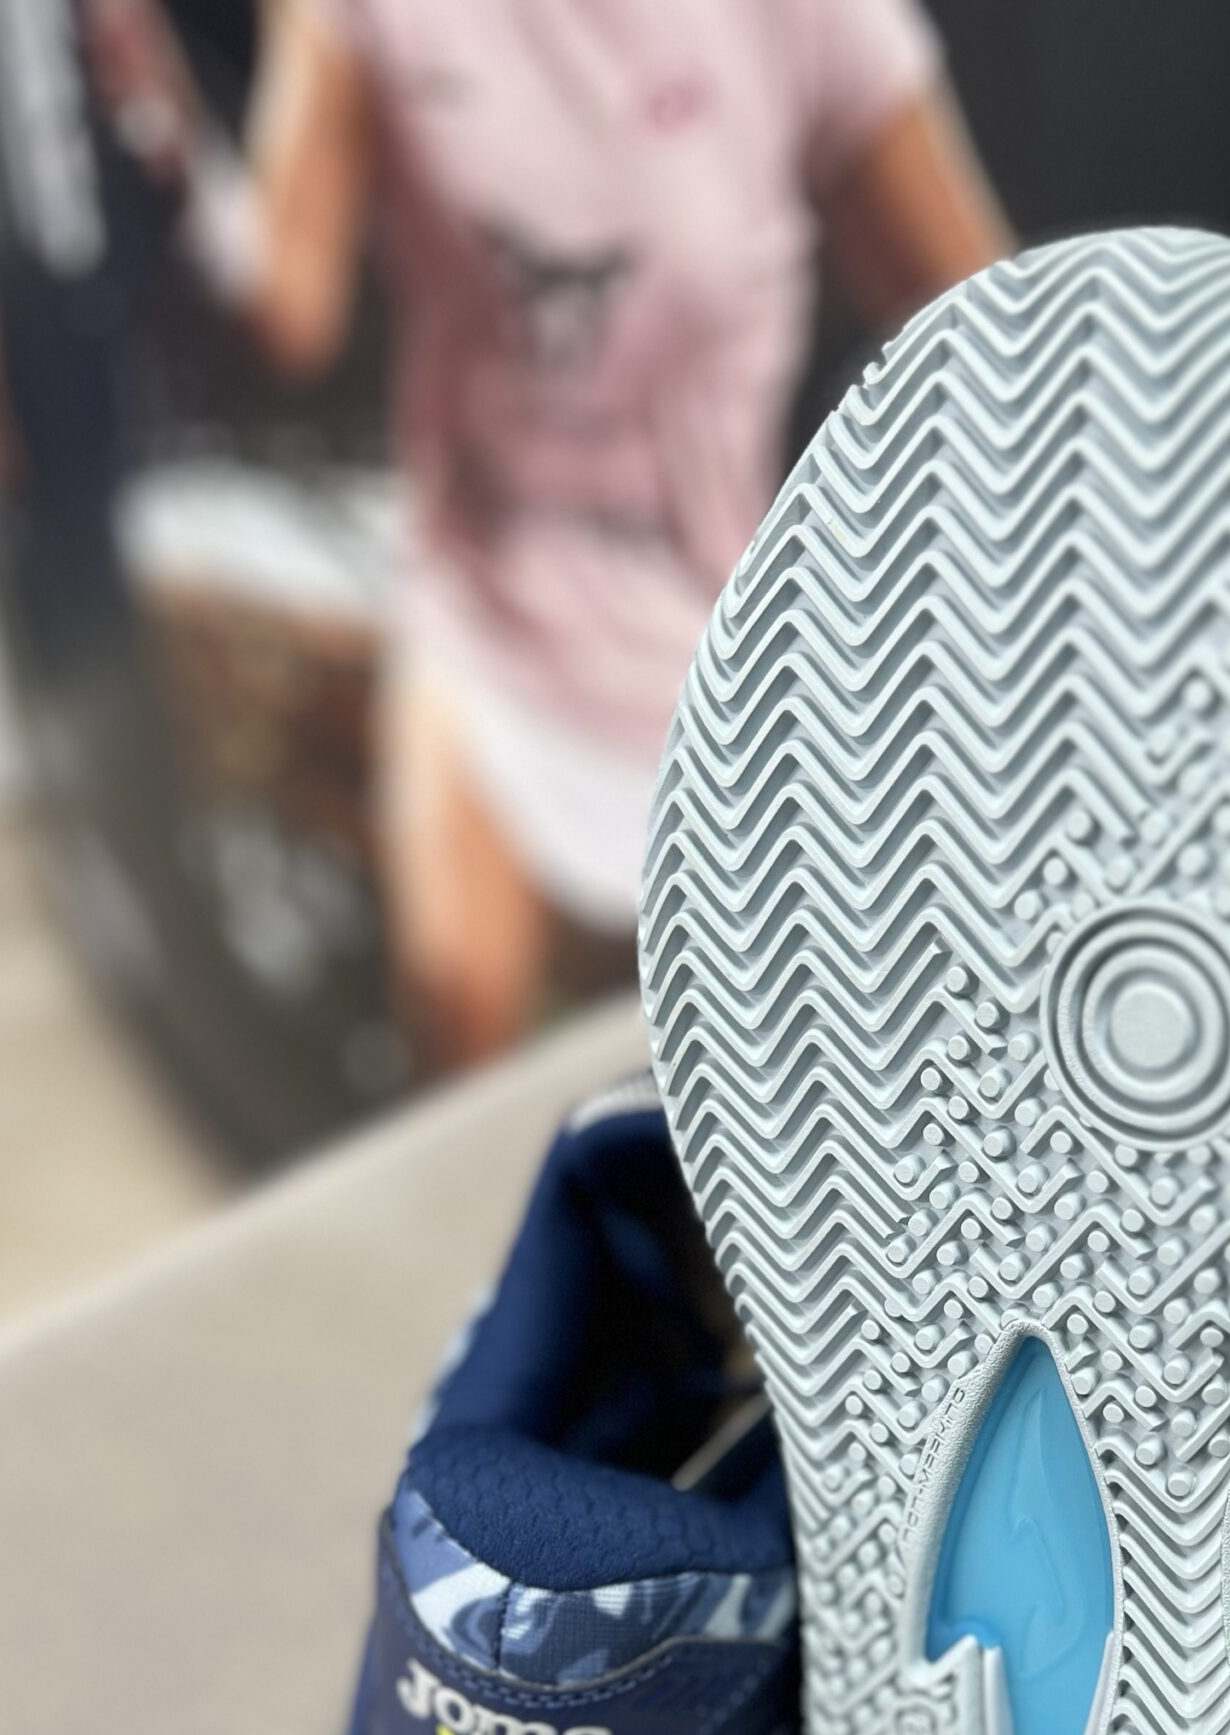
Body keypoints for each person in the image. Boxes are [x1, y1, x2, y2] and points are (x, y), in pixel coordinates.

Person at [85, 0, 1010, 1067]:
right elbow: (286, 311)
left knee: (766, 1098)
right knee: (459, 1065)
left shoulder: (813, 19)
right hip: (480, 629)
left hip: (725, 676)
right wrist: (160, 133)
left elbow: (990, 338)